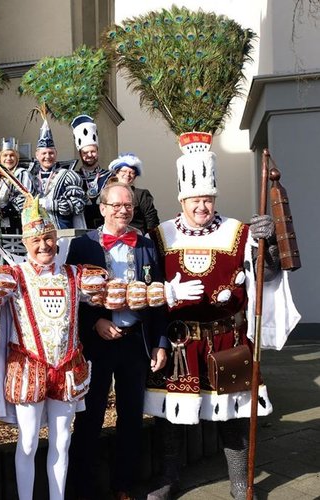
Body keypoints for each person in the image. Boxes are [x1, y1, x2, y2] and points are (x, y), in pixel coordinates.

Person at [144, 133, 300, 500]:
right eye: (196, 199)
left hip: (226, 340)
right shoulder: (160, 235)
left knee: (232, 416)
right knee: (171, 419)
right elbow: (147, 288)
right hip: (180, 342)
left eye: (208, 198)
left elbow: (268, 276)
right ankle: (170, 480)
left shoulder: (239, 231)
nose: (202, 206)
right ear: (183, 199)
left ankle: (239, 481)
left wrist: (270, 244)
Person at [66, 182, 169, 500]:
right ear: (103, 208)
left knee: (131, 416)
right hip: (97, 342)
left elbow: (159, 296)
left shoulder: (146, 245)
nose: (124, 210)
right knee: (90, 416)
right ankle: (82, 487)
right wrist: (94, 322)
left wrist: (160, 342)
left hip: (134, 342)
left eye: (129, 206)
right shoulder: (83, 246)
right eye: (117, 205)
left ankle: (123, 485)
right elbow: (72, 297)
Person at [0, 196, 91, 499]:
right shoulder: (13, 275)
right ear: (25, 241)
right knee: (29, 441)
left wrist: (165, 291)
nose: (44, 245)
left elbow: (115, 292)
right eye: (36, 239)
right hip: (28, 368)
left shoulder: (75, 275)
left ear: (56, 238)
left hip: (68, 367)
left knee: (62, 441)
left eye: (48, 238)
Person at [32, 115, 85, 229]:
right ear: (37, 155)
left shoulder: (68, 176)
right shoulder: (30, 177)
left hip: (62, 232)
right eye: (44, 153)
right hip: (37, 233)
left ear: (56, 154)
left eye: (51, 153)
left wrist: (53, 205)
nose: (48, 156)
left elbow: (78, 206)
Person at [0, 136, 35, 234]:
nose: (9, 158)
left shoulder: (22, 174)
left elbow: (23, 200)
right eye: (5, 155)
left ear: (17, 158)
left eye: (12, 155)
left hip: (15, 226)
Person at [71, 115, 112, 229]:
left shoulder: (109, 176)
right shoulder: (74, 178)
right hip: (82, 227)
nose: (89, 155)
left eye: (93, 151)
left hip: (106, 228)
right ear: (80, 154)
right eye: (85, 153)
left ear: (97, 152)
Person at [107, 153, 159, 235]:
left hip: (137, 239)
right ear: (117, 173)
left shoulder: (141, 194)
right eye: (124, 171)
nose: (127, 175)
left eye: (131, 173)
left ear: (134, 177)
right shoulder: (108, 193)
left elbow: (152, 221)